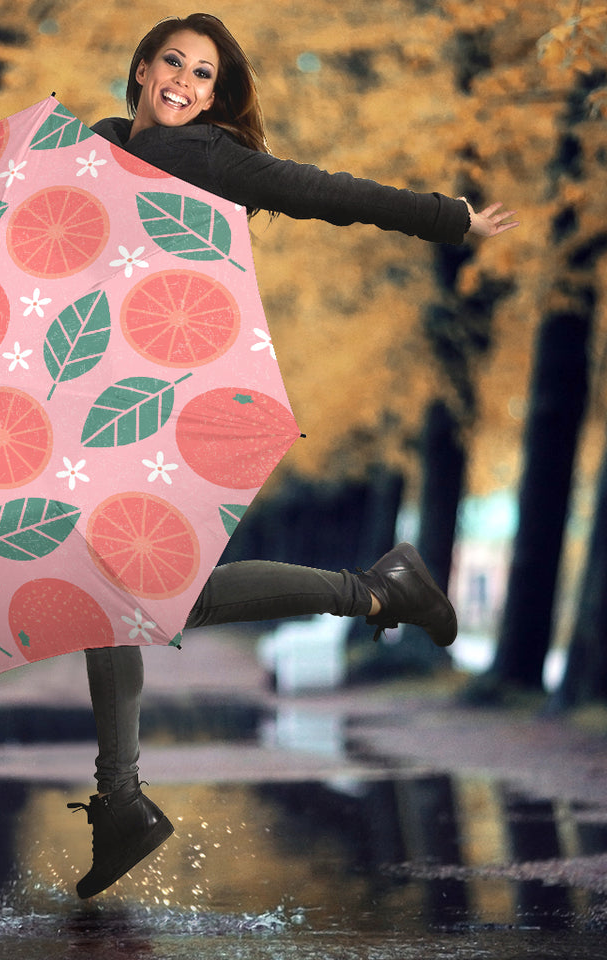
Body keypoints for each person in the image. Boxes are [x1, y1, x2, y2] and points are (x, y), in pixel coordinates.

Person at [65, 13, 519, 900]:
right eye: (173, 64)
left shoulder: (206, 155)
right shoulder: (96, 148)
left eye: (202, 75)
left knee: (117, 595)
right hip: (95, 400)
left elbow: (319, 189)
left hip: (163, 403)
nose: (184, 84)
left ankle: (122, 799)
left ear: (214, 95)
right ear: (141, 66)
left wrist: (445, 217)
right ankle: (381, 591)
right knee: (134, 598)